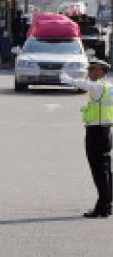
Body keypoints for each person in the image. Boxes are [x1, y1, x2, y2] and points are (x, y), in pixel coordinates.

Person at [61, 57, 113, 218]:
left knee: (99, 171)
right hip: (105, 132)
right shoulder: (108, 86)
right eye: (90, 69)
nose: (90, 72)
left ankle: (103, 207)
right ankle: (107, 204)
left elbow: (86, 85)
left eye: (93, 69)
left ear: (101, 72)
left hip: (97, 133)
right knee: (105, 170)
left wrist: (69, 79)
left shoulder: (98, 87)